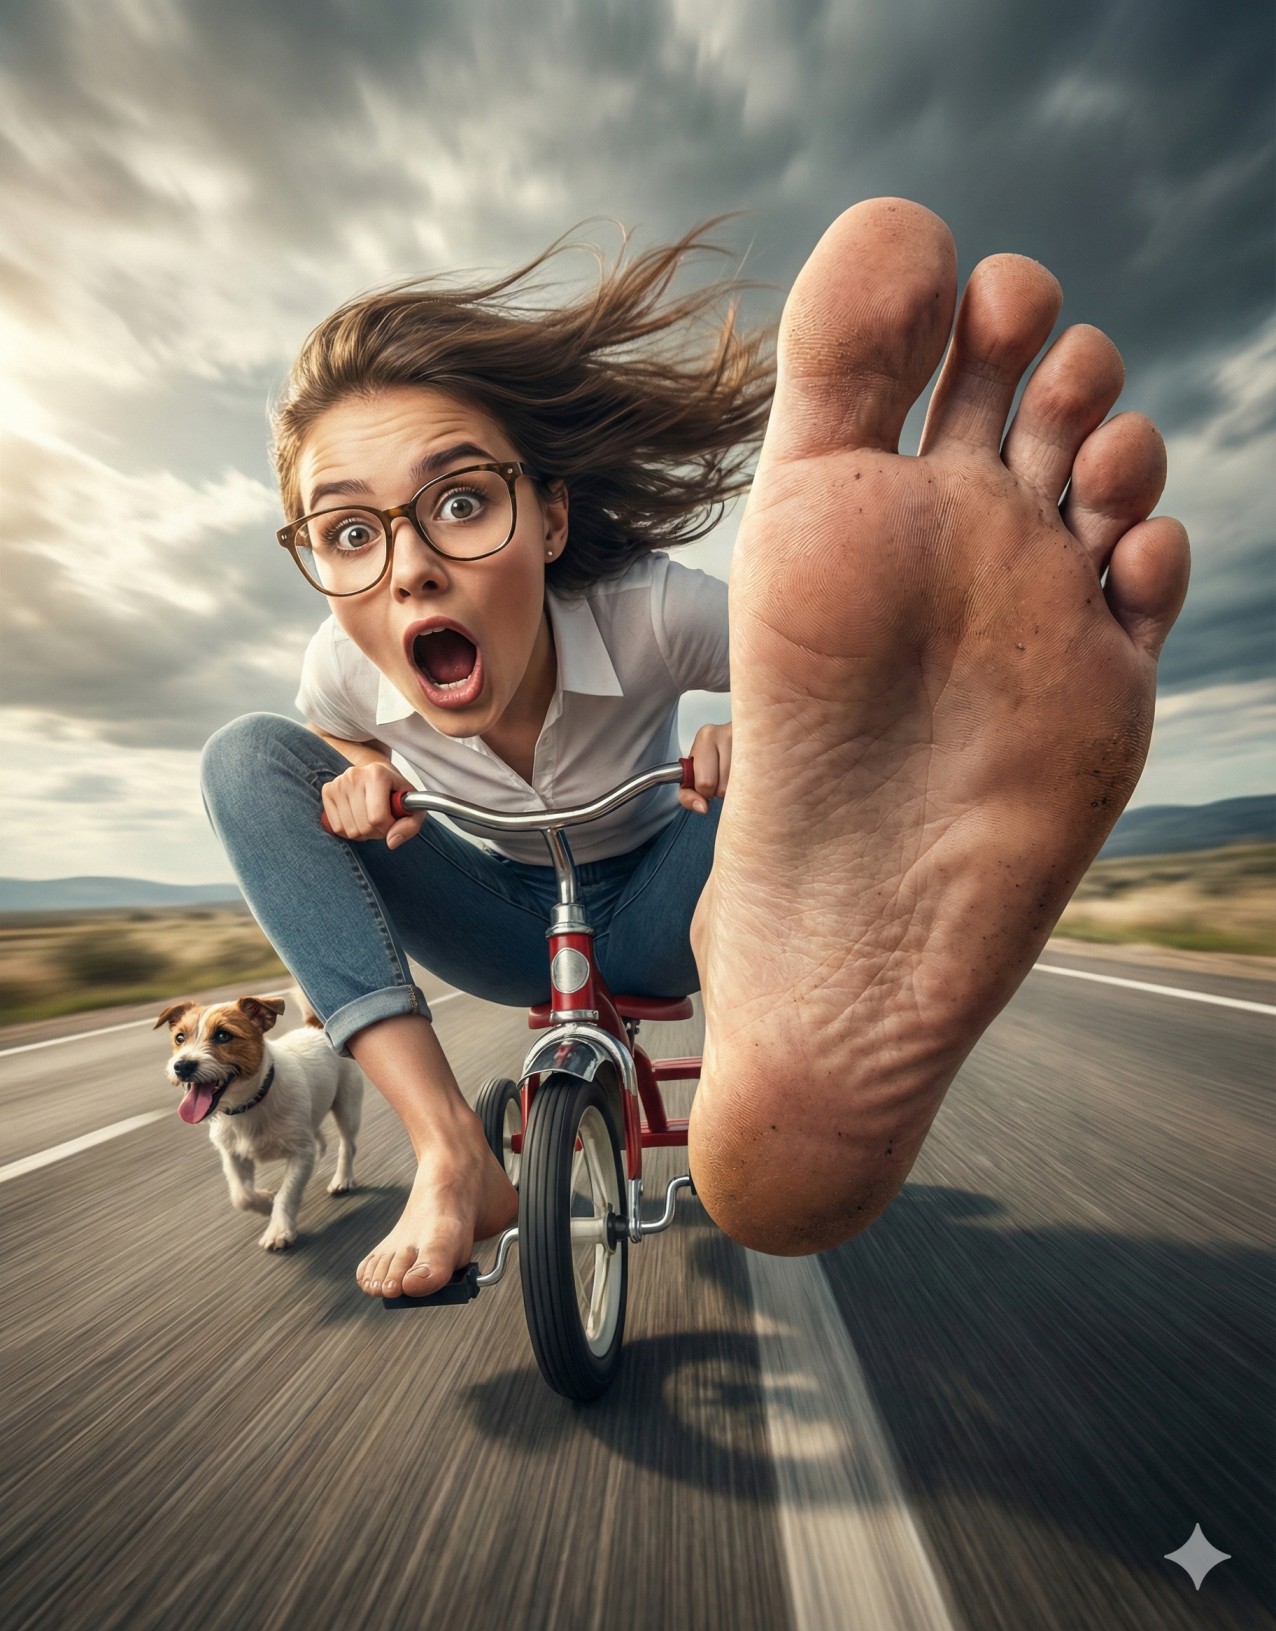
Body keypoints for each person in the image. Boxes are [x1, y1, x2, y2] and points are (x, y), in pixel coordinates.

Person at [203, 198, 1189, 1296]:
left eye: (463, 501)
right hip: (501, 921)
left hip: (675, 888)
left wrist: (753, 736)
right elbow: (330, 727)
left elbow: (829, 684)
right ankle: (450, 1150)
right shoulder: (345, 667)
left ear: (551, 520)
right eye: (348, 532)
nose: (409, 569)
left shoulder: (649, 611)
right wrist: (361, 767)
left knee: (779, 749)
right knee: (246, 756)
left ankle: (802, 920)